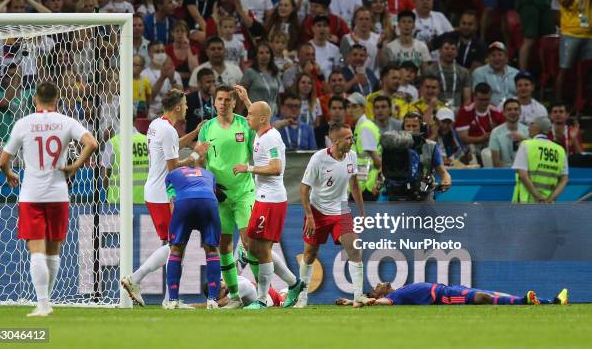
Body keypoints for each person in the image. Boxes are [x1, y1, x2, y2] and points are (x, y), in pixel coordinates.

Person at [0, 81, 99, 317]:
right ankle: (46, 302)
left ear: (35, 99)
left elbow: (3, 160)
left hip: (31, 194)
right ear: (57, 99)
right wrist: (75, 165)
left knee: (36, 251)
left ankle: (43, 304)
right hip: (58, 193)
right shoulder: (66, 121)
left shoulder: (24, 123)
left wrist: (9, 173)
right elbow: (92, 143)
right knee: (53, 253)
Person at [120, 89, 208, 308]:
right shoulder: (167, 130)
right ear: (178, 106)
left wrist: (193, 134)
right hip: (163, 194)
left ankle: (168, 298)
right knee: (176, 245)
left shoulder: (157, 125)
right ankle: (138, 280)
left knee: (175, 244)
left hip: (155, 191)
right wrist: (197, 155)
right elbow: (173, 168)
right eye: (185, 104)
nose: (187, 107)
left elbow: (172, 146)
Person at [232, 94, 305, 310]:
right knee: (253, 247)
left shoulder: (271, 138)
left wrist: (249, 168)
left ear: (262, 119)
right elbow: (257, 113)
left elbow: (276, 168)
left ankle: (262, 299)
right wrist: (246, 99)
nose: (246, 117)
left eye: (249, 114)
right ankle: (294, 283)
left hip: (271, 200)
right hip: (262, 198)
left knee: (261, 250)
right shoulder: (260, 130)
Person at [296, 122, 369, 308]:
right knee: (310, 254)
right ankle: (302, 297)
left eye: (352, 137)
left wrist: (362, 212)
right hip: (317, 211)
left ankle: (359, 295)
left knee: (354, 249)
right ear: (335, 140)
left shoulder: (352, 156)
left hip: (342, 210)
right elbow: (304, 190)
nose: (352, 141)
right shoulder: (318, 159)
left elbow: (354, 185)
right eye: (348, 138)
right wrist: (310, 216)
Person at [197, 85, 256, 309]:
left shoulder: (244, 124)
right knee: (224, 246)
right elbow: (200, 159)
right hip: (218, 195)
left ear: (234, 102)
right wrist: (208, 184)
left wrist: (248, 101)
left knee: (250, 244)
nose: (223, 103)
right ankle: (234, 297)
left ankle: (261, 296)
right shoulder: (207, 128)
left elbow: (261, 138)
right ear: (214, 102)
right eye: (219, 99)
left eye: (227, 100)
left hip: (243, 192)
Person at [163, 163, 222, 309]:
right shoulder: (209, 174)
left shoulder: (171, 175)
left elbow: (172, 200)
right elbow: (213, 193)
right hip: (208, 201)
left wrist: (176, 225)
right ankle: (213, 300)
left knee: (176, 250)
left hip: (184, 202)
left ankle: (173, 300)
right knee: (212, 249)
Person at [381, 112, 451, 201]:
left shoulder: (431, 147)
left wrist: (446, 180)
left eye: (414, 126)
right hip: (396, 195)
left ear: (422, 127)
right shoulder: (393, 147)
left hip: (424, 196)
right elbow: (383, 171)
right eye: (408, 126)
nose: (411, 130)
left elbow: (443, 172)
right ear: (403, 127)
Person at [336, 282, 569, 306]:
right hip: (445, 296)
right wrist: (354, 302)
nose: (380, 283)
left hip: (449, 287)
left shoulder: (400, 290)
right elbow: (380, 304)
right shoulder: (395, 298)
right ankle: (523, 302)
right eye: (376, 287)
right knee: (484, 299)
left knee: (489, 292)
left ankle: (552, 301)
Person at [512, 117, 568, 203]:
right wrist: (550, 199)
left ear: (537, 128)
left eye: (531, 124)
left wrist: (538, 197)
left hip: (526, 203)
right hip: (549, 204)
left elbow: (523, 175)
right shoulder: (560, 150)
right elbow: (564, 179)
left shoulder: (526, 145)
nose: (528, 127)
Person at [101, 123, 149, 204]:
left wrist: (107, 189)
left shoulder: (113, 142)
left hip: (118, 199)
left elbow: (105, 173)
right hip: (143, 198)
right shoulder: (146, 141)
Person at [555, 0, 592, 101]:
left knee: (586, 71)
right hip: (570, 33)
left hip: (588, 34)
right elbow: (565, 3)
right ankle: (558, 103)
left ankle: (582, 102)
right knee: (564, 69)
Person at [347, 93, 382, 201]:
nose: (350, 110)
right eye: (348, 107)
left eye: (354, 106)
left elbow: (377, 160)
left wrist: (377, 180)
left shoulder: (365, 128)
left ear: (363, 108)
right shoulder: (361, 126)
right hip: (361, 185)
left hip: (367, 187)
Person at [455, 82, 505, 158]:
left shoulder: (496, 111)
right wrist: (481, 138)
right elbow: (463, 138)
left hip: (492, 145)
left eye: (487, 99)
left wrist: (495, 134)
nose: (484, 103)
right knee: (471, 148)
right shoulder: (465, 112)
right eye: (481, 100)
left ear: (491, 96)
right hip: (472, 147)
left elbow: (503, 134)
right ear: (474, 97)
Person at [424, 36, 472, 110]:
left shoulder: (464, 72)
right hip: (436, 109)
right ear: (440, 50)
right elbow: (424, 94)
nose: (450, 51)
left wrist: (463, 113)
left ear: (457, 53)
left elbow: (467, 98)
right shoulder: (430, 70)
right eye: (446, 48)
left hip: (457, 110)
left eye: (453, 49)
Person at [141, 41, 183, 119]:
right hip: (152, 116)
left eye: (163, 51)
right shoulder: (144, 74)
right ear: (149, 54)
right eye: (157, 51)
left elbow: (181, 96)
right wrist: (162, 78)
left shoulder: (175, 73)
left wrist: (172, 80)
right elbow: (148, 100)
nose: (160, 54)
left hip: (171, 116)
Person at [471, 42, 519, 106]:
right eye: (493, 55)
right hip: (489, 110)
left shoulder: (516, 73)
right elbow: (478, 97)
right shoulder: (479, 73)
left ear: (506, 58)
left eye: (500, 55)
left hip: (514, 110)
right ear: (488, 58)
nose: (496, 58)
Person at [515, 0, 555, 71]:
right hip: (528, 2)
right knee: (529, 40)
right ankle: (522, 75)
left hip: (544, 2)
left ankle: (546, 73)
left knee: (547, 39)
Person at [240, 42, 281, 114]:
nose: (265, 55)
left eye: (267, 52)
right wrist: (239, 115)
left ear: (271, 55)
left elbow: (277, 95)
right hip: (255, 114)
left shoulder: (275, 73)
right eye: (261, 53)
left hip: (272, 113)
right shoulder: (250, 72)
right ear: (256, 55)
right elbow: (241, 95)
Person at [489, 98, 529, 168]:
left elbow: (533, 157)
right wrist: (515, 170)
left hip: (525, 173)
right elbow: (496, 163)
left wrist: (524, 140)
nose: (513, 112)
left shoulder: (528, 131)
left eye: (516, 109)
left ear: (520, 112)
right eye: (509, 109)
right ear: (504, 112)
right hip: (505, 174)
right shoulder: (496, 132)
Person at [340, 7, 380, 74]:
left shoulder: (378, 39)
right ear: (355, 21)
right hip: (351, 76)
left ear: (371, 21)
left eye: (367, 19)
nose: (364, 22)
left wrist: (381, 47)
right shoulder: (347, 39)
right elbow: (343, 61)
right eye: (361, 19)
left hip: (372, 77)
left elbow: (382, 64)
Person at [165, 20, 200, 87]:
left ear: (187, 33)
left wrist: (188, 48)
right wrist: (184, 74)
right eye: (177, 31)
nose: (180, 34)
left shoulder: (193, 50)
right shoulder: (167, 50)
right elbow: (167, 72)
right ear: (172, 33)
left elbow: (195, 71)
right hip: (172, 83)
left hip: (190, 83)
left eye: (183, 31)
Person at [309, 15, 341, 81]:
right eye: (319, 25)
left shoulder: (335, 49)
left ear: (329, 29)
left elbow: (337, 72)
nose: (322, 28)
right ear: (313, 28)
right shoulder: (306, 48)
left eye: (325, 26)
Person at [185, 68, 216, 134]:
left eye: (213, 81)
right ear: (199, 83)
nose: (212, 85)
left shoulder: (219, 99)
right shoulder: (189, 99)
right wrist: (187, 141)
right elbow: (178, 123)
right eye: (208, 82)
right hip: (195, 141)